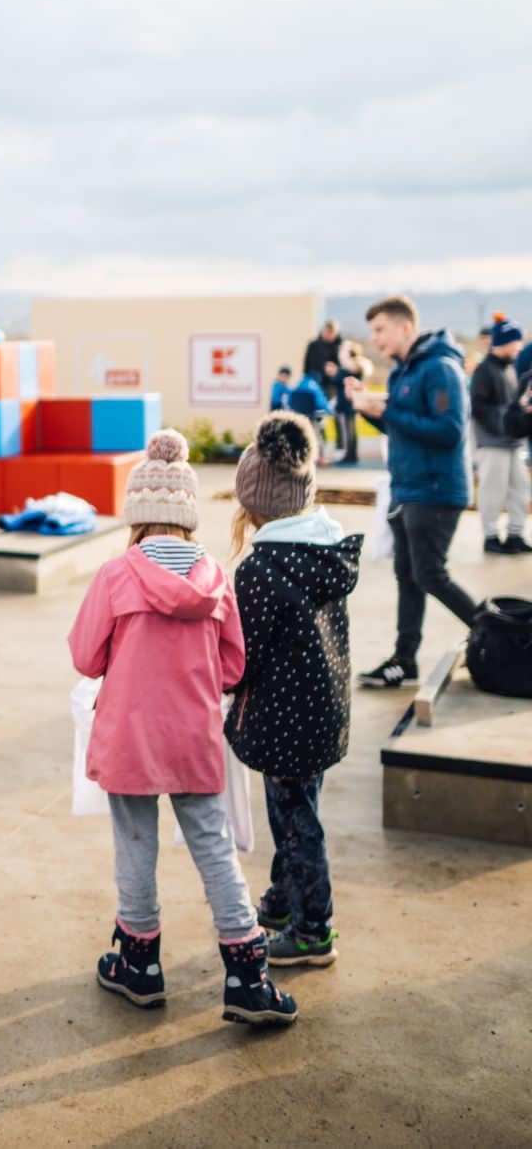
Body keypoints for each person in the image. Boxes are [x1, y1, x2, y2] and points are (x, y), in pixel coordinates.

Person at [69, 429, 297, 1026]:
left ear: (137, 514)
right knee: (215, 850)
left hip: (130, 740)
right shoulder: (215, 577)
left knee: (135, 848)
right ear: (188, 515)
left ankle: (139, 966)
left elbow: (86, 657)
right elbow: (233, 668)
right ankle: (248, 977)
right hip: (194, 738)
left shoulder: (116, 576)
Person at [226, 411, 361, 969]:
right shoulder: (326, 553)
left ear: (254, 502)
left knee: (296, 824)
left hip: (283, 722)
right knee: (298, 811)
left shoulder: (261, 568)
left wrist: (223, 685)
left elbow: (243, 658)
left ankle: (313, 931)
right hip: (324, 712)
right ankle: (284, 902)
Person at [347, 296, 483, 688]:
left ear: (405, 327)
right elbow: (401, 428)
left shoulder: (440, 369)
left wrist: (385, 411)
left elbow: (449, 431)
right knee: (408, 576)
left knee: (429, 575)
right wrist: (368, 409)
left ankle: (499, 634)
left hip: (435, 492)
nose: (375, 340)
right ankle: (404, 660)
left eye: (380, 330)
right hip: (407, 490)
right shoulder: (402, 372)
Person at [470, 316, 529, 554]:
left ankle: (515, 534)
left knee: (520, 489)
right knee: (492, 490)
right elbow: (479, 407)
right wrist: (506, 424)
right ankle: (491, 536)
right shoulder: (485, 370)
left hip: (513, 442)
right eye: (516, 342)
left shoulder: (509, 370)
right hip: (494, 443)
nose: (519, 347)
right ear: (503, 342)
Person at [304, 320, 343, 446]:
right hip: (316, 385)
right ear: (323, 331)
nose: (329, 335)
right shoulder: (314, 345)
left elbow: (344, 367)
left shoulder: (340, 346)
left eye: (332, 333)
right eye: (327, 332)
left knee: (337, 414)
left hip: (333, 386)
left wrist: (335, 371)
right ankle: (321, 442)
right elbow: (307, 365)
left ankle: (340, 444)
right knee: (317, 415)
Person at [331, 341, 371, 466]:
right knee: (351, 431)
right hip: (352, 403)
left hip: (345, 403)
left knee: (347, 431)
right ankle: (352, 455)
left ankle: (349, 455)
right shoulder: (358, 366)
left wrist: (336, 371)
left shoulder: (348, 367)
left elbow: (337, 380)